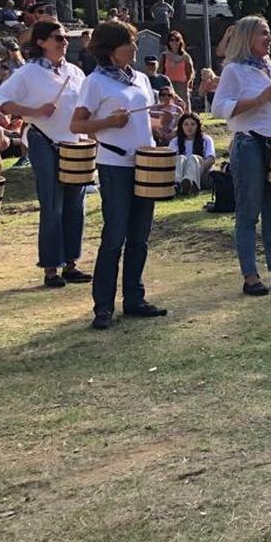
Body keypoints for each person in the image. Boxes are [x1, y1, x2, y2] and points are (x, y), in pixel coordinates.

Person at [71, 20, 167, 329]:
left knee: (140, 235)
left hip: (145, 164)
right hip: (114, 166)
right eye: (130, 42)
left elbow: (146, 121)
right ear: (112, 49)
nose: (136, 48)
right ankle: (103, 306)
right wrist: (108, 123)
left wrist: (163, 122)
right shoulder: (95, 82)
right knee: (114, 236)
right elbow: (77, 125)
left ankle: (134, 298)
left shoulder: (140, 78)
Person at [0, 18, 91, 289]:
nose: (65, 42)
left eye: (66, 38)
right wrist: (33, 111)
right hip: (43, 140)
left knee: (75, 204)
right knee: (52, 204)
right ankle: (50, 268)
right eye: (58, 38)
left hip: (73, 142)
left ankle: (71, 262)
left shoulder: (76, 73)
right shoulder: (28, 73)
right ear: (42, 42)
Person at [211, 15, 271, 297]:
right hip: (250, 144)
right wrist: (256, 101)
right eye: (263, 34)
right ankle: (250, 275)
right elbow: (219, 108)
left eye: (269, 34)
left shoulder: (268, 67)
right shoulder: (234, 70)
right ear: (247, 38)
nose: (270, 39)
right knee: (248, 213)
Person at [169, 112, 216, 193]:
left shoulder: (206, 139)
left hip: (202, 173)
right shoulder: (175, 141)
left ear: (198, 126)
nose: (189, 127)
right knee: (180, 158)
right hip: (181, 172)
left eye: (193, 124)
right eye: (186, 124)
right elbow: (171, 160)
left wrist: (197, 170)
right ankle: (177, 184)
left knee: (194, 158)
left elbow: (211, 159)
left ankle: (190, 183)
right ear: (181, 126)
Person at [158, 30, 194, 110]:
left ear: (180, 41)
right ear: (168, 42)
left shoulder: (185, 57)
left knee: (184, 107)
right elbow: (160, 71)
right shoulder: (164, 55)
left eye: (177, 40)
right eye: (172, 40)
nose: (174, 42)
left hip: (182, 85)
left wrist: (187, 84)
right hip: (168, 85)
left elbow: (190, 72)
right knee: (169, 108)